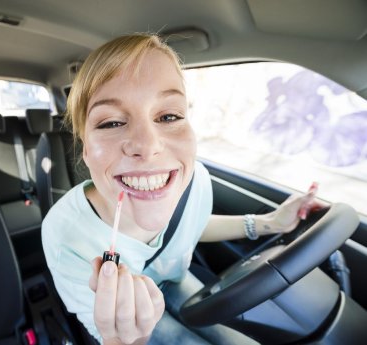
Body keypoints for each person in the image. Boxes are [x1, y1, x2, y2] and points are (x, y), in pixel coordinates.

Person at [42, 33, 319, 345]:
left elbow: (193, 225)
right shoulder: (65, 234)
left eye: (169, 116)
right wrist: (123, 342)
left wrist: (271, 222)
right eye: (111, 123)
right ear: (85, 150)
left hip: (176, 282)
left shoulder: (194, 178)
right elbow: (107, 330)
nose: (148, 147)